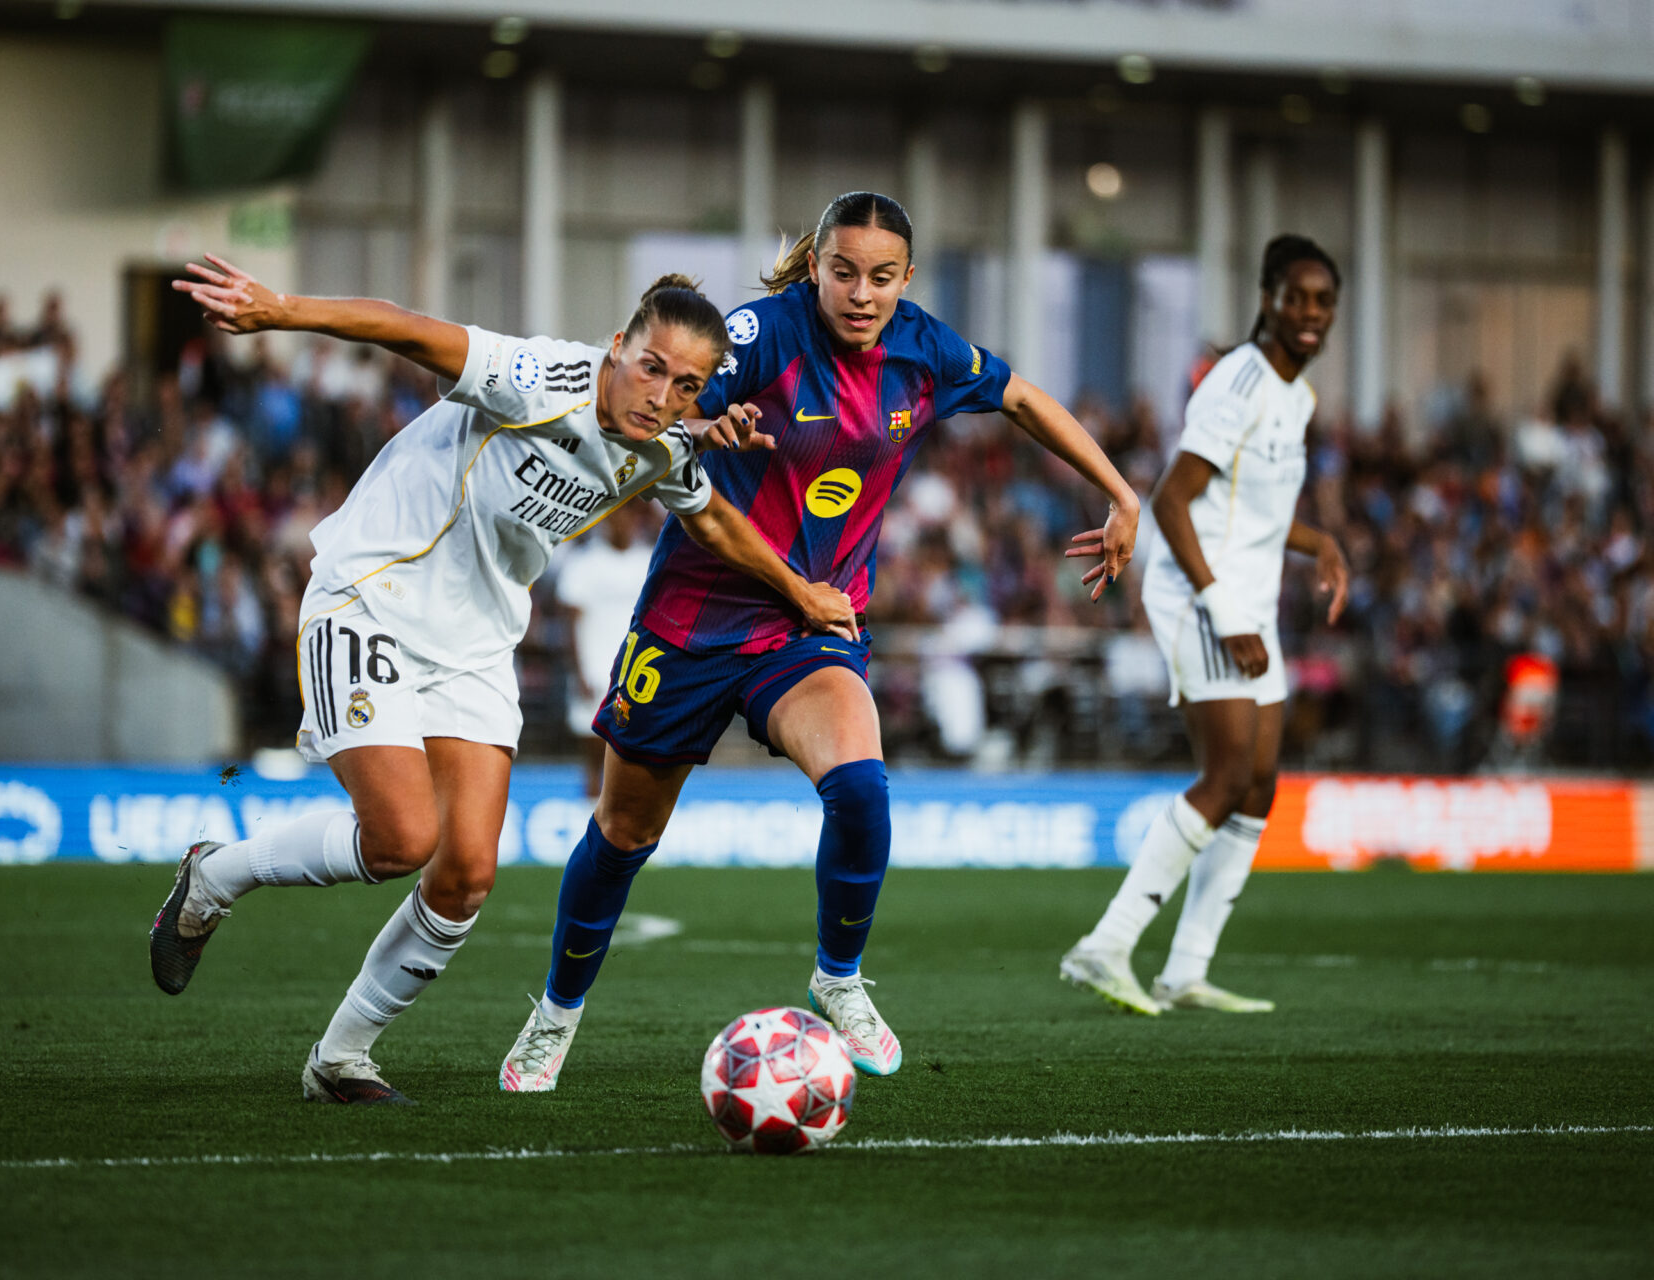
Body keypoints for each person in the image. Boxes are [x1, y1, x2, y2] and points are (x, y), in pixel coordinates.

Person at [151, 256, 856, 1105]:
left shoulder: (664, 445)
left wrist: (802, 593)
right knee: (401, 840)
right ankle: (216, 876)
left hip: (477, 644)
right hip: (371, 596)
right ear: (616, 346)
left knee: (464, 880)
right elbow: (407, 328)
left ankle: (339, 1060)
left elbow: (712, 520)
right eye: (651, 368)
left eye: (686, 386)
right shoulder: (540, 377)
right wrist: (281, 310)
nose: (661, 396)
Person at [499, 191, 1140, 1092]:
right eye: (843, 272)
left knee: (861, 786)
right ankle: (555, 1015)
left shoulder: (924, 349)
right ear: (815, 267)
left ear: (907, 278)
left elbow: (1023, 397)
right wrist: (705, 421)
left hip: (810, 623)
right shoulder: (762, 333)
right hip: (689, 621)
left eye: (881, 276)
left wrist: (1121, 493)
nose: (861, 293)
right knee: (624, 832)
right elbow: (665, 408)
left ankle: (839, 978)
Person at [1060, 233, 1349, 1016]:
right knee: (1225, 777)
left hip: (1248, 600)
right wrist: (1221, 610)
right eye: (1297, 297)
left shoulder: (1297, 397)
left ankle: (1185, 970)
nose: (1311, 313)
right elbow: (1172, 501)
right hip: (1202, 597)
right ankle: (1105, 946)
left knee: (1258, 784)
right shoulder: (1239, 382)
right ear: (1268, 300)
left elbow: (1252, 511)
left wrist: (1317, 542)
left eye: (1324, 301)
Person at [552, 502, 657, 795]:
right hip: (595, 674)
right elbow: (570, 625)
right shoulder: (584, 563)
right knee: (595, 756)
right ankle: (590, 811)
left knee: (634, 756)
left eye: (632, 515)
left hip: (636, 676)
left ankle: (626, 816)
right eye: (621, 514)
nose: (627, 522)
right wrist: (578, 674)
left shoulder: (648, 561)